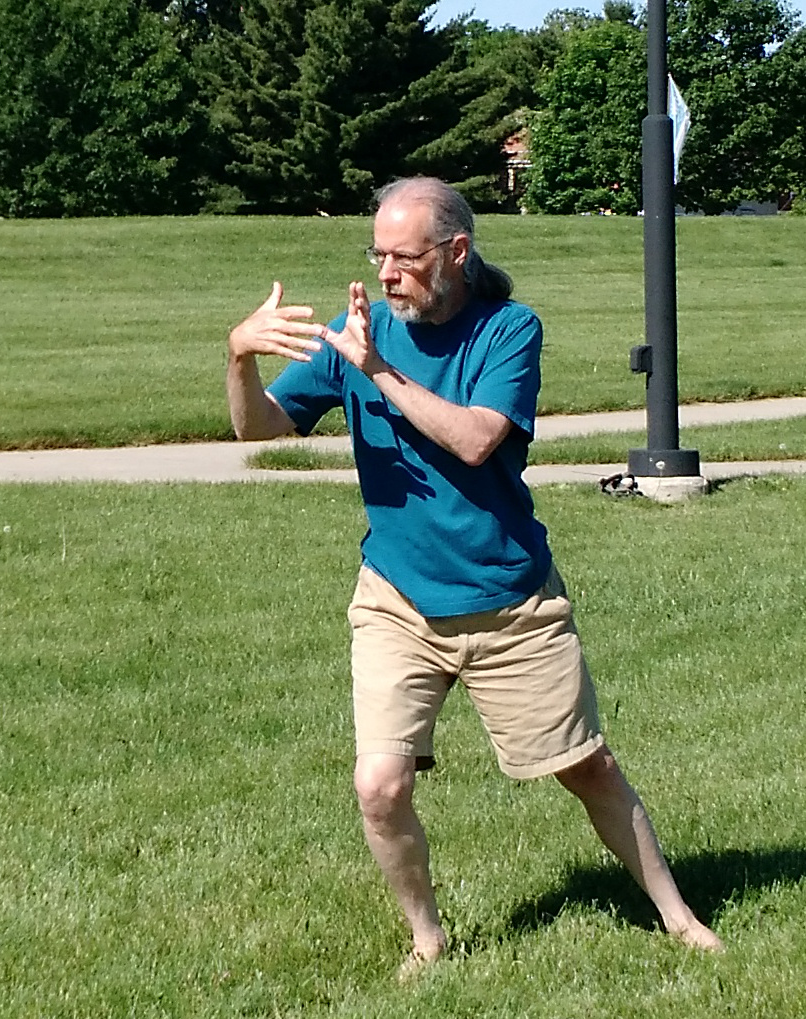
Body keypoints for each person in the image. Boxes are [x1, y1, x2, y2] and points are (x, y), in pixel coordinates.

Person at [224, 176, 722, 976]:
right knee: (379, 785)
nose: (388, 274)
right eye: (378, 255)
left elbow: (476, 438)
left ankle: (678, 914)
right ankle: (427, 938)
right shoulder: (356, 334)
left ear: (456, 251)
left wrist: (377, 371)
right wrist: (239, 355)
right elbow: (259, 429)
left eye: (406, 257)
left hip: (510, 601)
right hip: (396, 600)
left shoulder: (508, 330)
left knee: (586, 765)